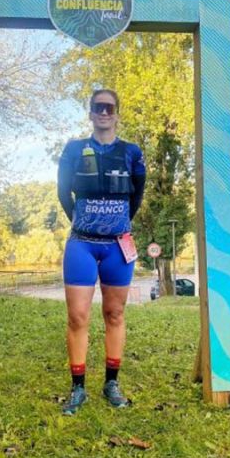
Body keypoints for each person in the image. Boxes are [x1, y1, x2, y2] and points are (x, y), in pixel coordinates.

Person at [56, 89, 146, 415]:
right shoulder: (74, 149)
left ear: (117, 113)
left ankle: (111, 383)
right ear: (91, 113)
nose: (104, 113)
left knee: (115, 314)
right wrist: (84, 221)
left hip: (117, 247)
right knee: (78, 316)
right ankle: (78, 387)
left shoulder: (131, 152)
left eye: (109, 107)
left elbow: (136, 197)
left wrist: (115, 224)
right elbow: (63, 192)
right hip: (81, 243)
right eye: (98, 107)